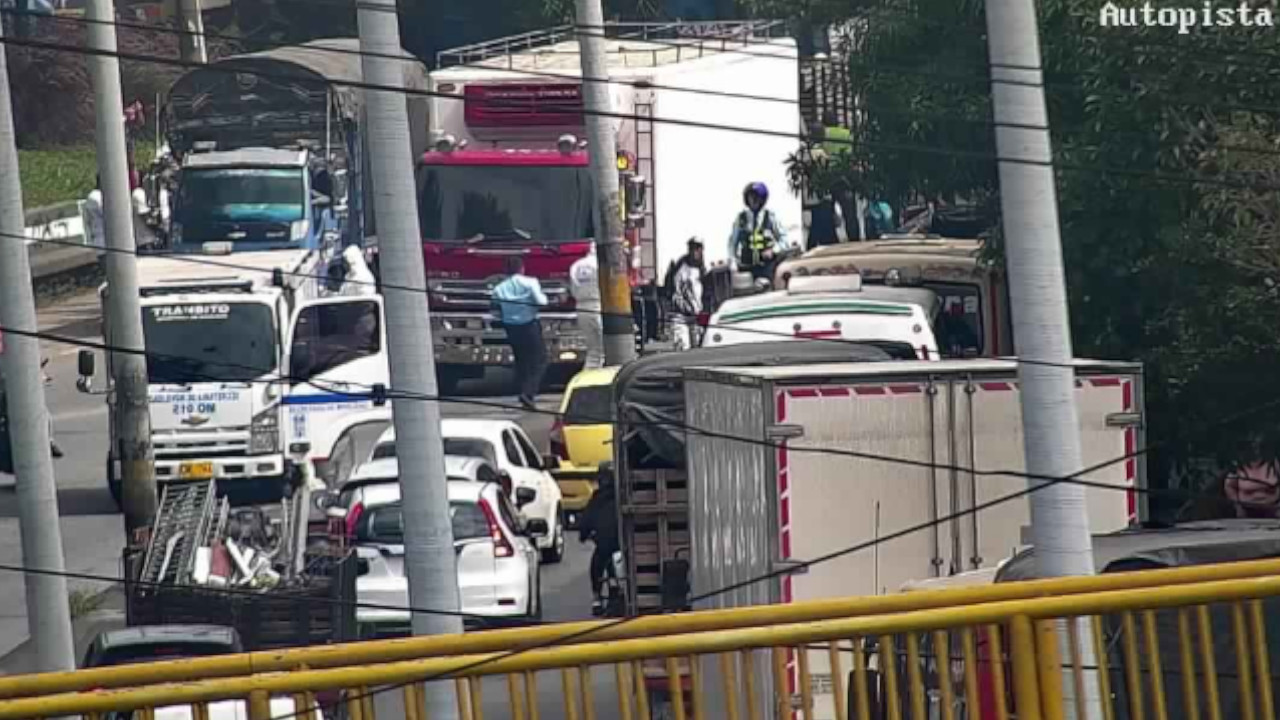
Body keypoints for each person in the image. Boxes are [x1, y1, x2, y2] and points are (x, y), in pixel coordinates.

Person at [491, 256, 549, 410]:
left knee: (521, 361)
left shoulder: (498, 289)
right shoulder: (531, 282)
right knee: (540, 360)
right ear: (522, 268)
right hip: (530, 325)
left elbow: (495, 311)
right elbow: (541, 301)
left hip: (511, 328)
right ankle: (528, 393)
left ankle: (523, 390)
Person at [728, 182, 788, 284]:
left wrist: (773, 250)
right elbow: (732, 243)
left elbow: (784, 240)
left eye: (756, 197)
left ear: (762, 199)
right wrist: (733, 261)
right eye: (751, 197)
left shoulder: (770, 217)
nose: (753, 200)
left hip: (766, 267)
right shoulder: (741, 218)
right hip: (746, 267)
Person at [579, 464, 619, 615]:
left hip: (605, 545)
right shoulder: (621, 494)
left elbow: (586, 520)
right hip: (622, 544)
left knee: (596, 565)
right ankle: (615, 591)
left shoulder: (598, 498)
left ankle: (596, 597)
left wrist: (583, 534)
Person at [663, 237, 706, 351]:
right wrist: (684, 307)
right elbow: (674, 292)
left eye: (698, 248)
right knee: (683, 349)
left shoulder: (702, 268)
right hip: (680, 316)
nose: (695, 251)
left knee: (698, 349)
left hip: (696, 317)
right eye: (693, 248)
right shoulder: (681, 268)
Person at [568, 244, 604, 369]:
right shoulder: (602, 264)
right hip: (598, 306)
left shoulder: (576, 265)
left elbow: (573, 289)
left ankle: (588, 376)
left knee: (592, 350)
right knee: (603, 349)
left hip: (581, 307)